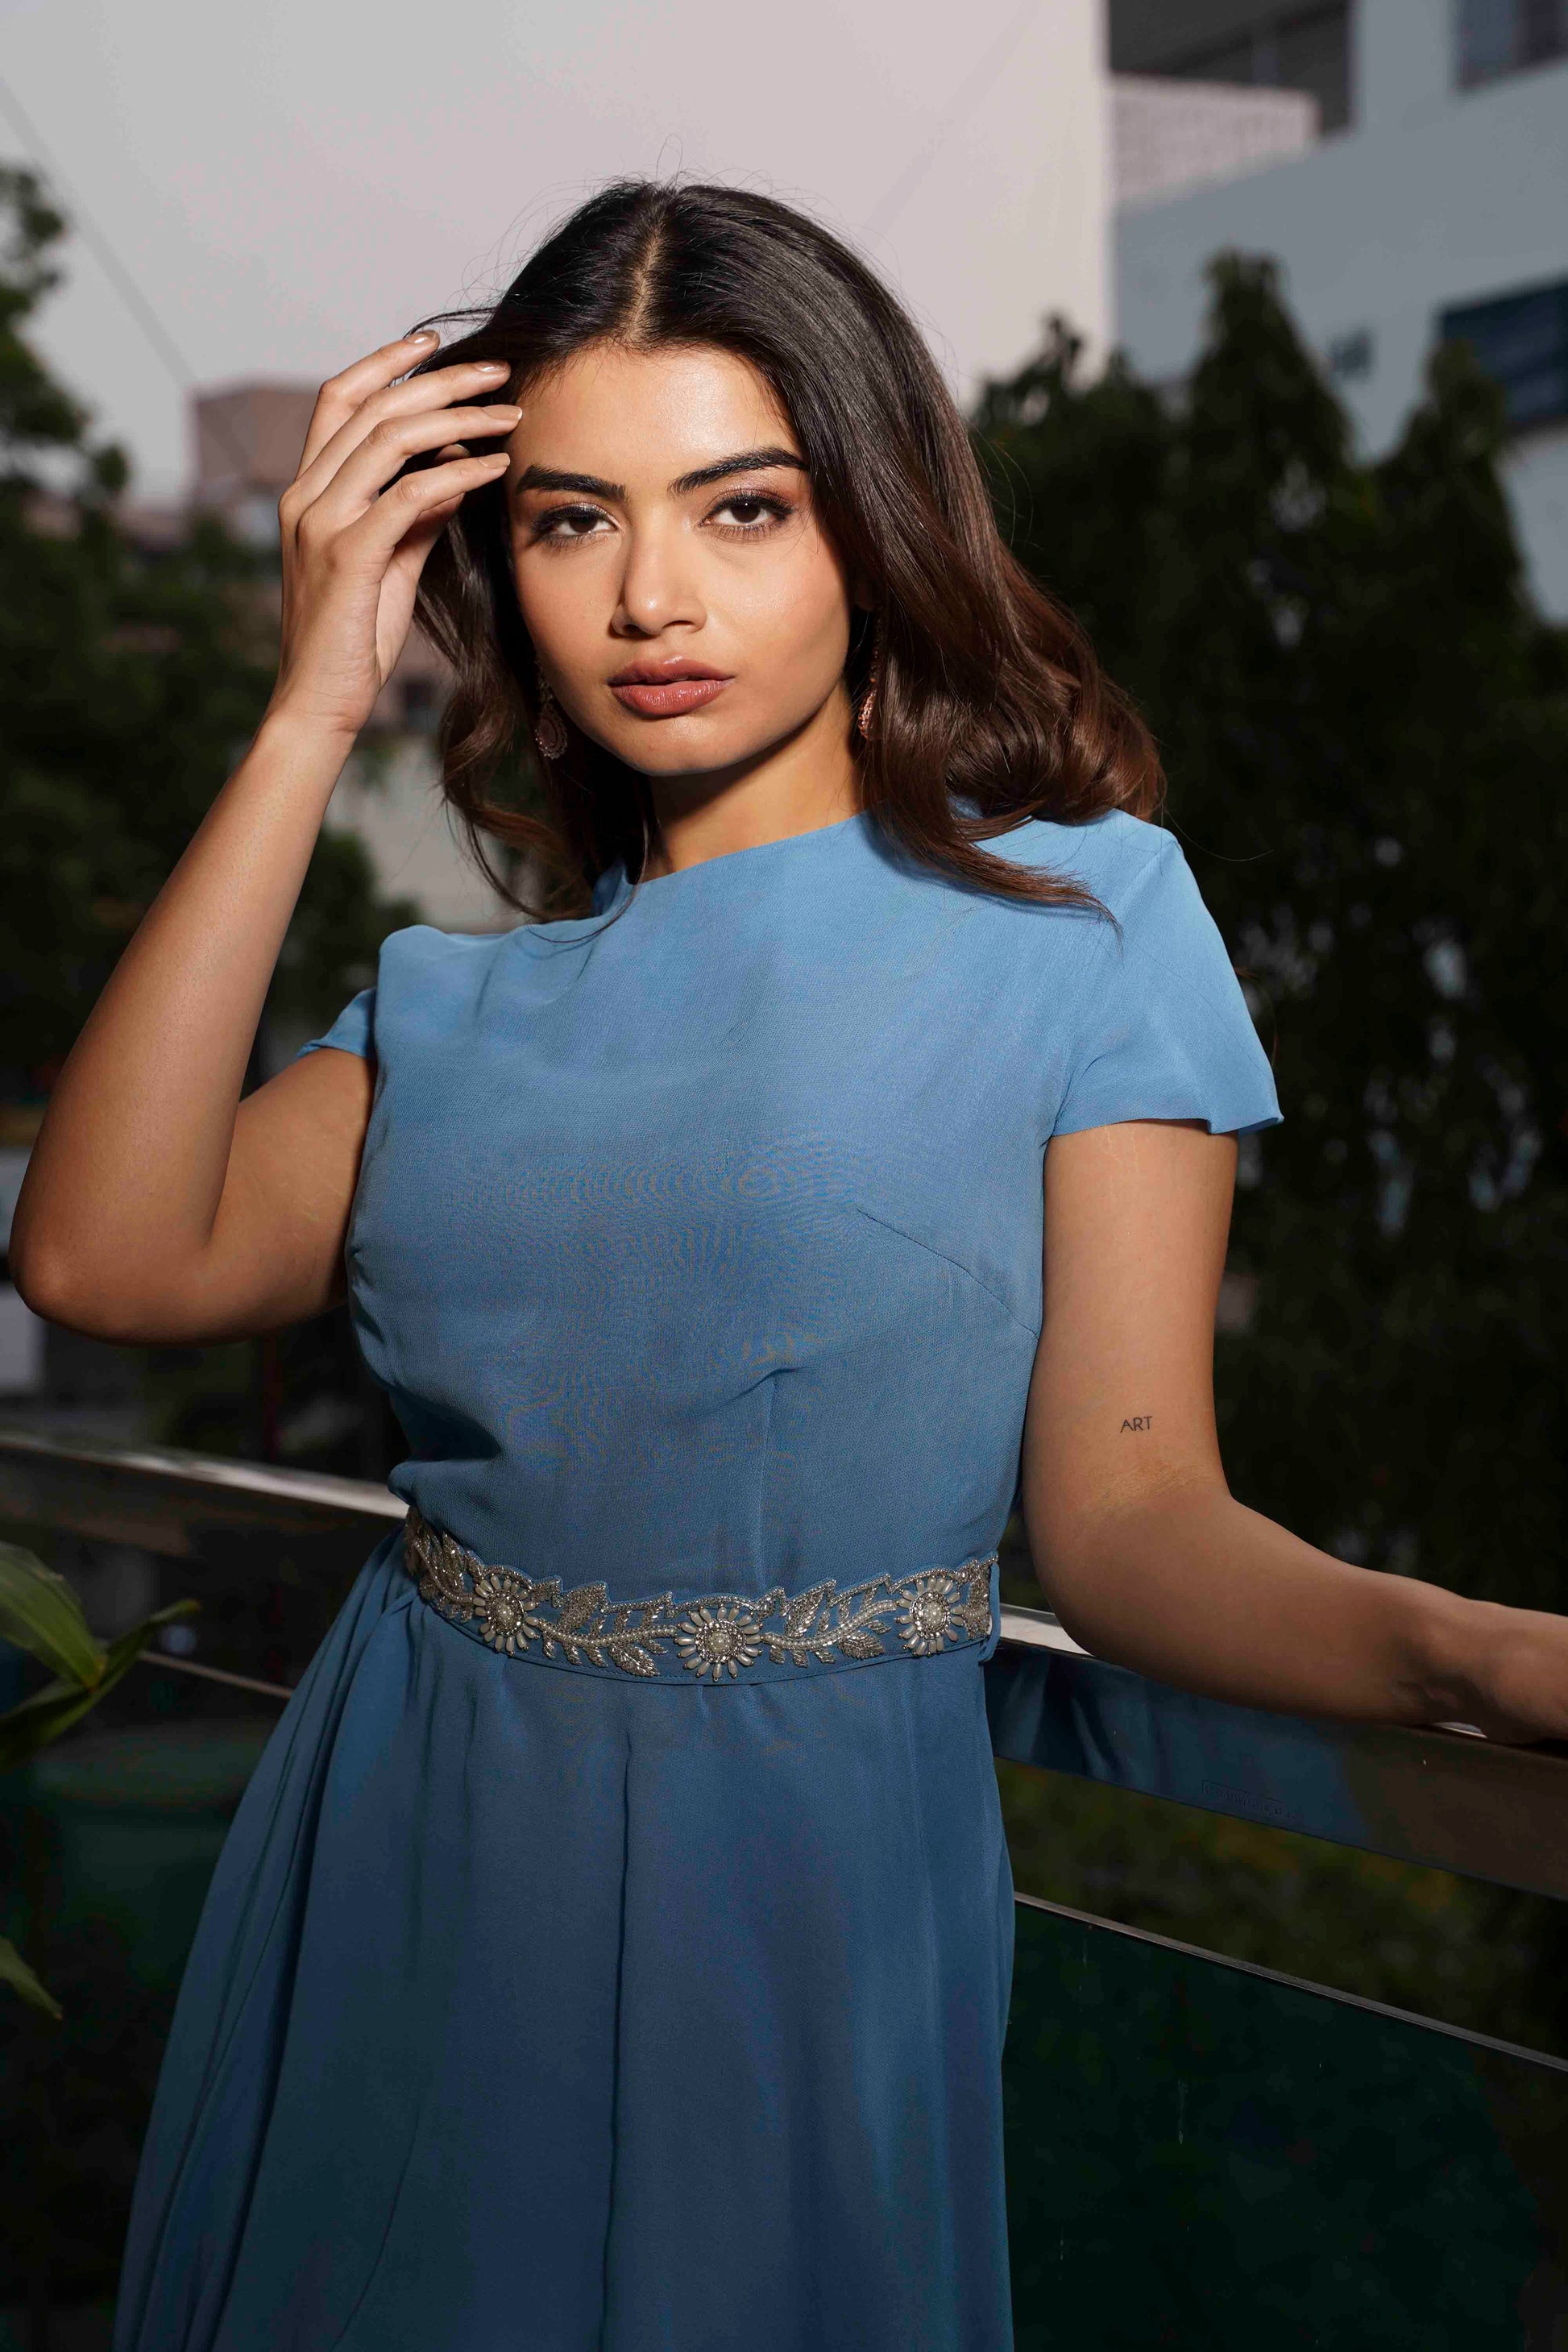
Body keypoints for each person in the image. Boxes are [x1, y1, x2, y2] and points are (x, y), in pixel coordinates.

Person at [15, 179, 1567, 2352]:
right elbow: (96, 1254)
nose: (655, 593)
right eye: (570, 521)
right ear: (497, 570)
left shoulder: (1085, 920)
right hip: (406, 1835)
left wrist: (1478, 1663)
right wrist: (301, 717)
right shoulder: (451, 1015)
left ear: (869, 520)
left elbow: (1125, 1528)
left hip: (809, 1901)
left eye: (739, 509)